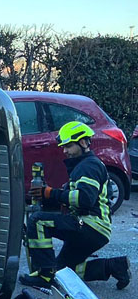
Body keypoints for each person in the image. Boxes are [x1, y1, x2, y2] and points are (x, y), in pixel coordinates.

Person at [21, 121, 130, 289]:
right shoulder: (85, 165)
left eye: (69, 146)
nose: (65, 151)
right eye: (64, 147)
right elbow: (72, 197)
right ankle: (114, 267)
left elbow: (84, 199)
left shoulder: (89, 166)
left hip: (90, 226)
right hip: (94, 228)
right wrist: (46, 195)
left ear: (84, 142)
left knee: (38, 221)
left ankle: (44, 275)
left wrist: (51, 193)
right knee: (63, 272)